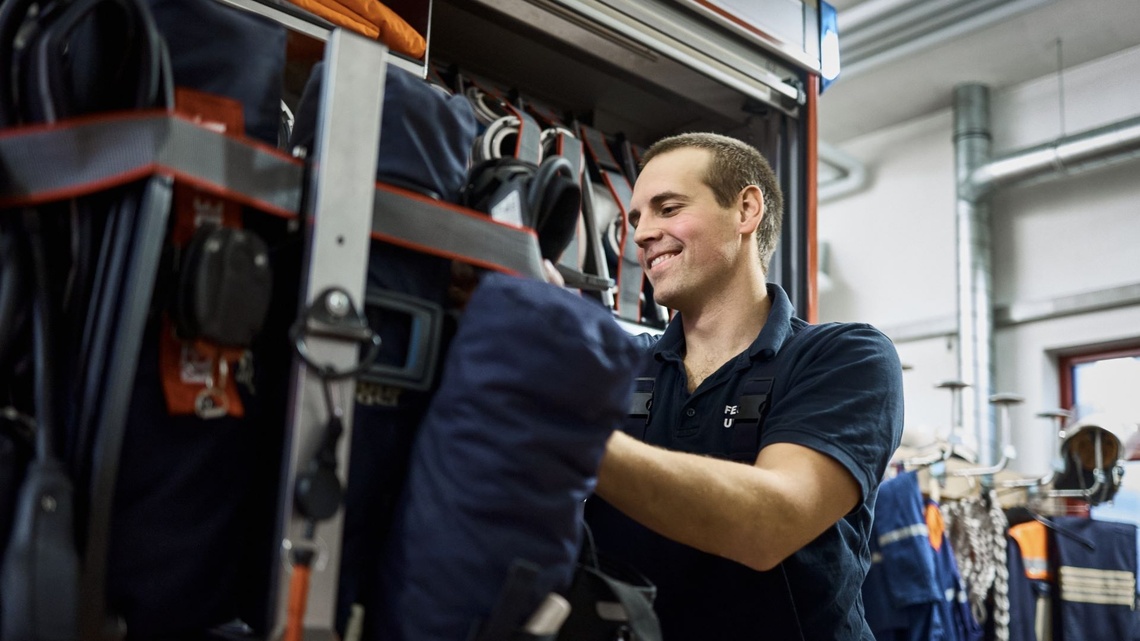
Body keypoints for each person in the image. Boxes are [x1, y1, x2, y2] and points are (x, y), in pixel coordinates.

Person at [583, 132, 905, 640]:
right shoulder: (621, 365)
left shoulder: (844, 356)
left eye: (668, 208)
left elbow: (770, 524)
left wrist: (567, 435)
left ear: (746, 210)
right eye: (637, 218)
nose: (641, 234)